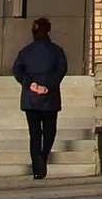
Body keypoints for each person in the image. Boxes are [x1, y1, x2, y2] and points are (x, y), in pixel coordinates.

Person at [11, 15, 69, 179]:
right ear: (49, 32)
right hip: (49, 98)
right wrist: (48, 86)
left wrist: (30, 84)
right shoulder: (57, 51)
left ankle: (37, 165)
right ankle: (42, 157)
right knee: (49, 131)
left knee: (35, 133)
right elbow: (61, 69)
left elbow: (17, 70)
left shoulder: (25, 51)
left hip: (30, 97)